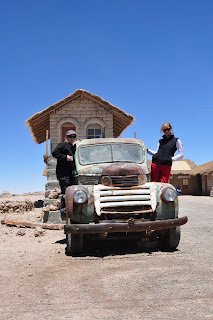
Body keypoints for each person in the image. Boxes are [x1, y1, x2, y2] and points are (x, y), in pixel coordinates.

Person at [52, 130, 76, 198]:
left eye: (74, 136)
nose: (72, 138)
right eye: (70, 136)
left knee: (72, 192)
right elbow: (54, 153)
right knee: (66, 191)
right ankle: (63, 208)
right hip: (63, 174)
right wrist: (65, 157)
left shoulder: (73, 147)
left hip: (71, 174)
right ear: (67, 137)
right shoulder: (63, 145)